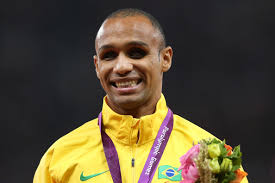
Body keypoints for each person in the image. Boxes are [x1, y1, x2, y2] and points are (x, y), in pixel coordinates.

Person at [34, 8, 248, 183]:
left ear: (165, 59)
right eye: (109, 55)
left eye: (136, 52)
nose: (122, 66)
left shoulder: (211, 158)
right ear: (97, 66)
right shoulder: (59, 159)